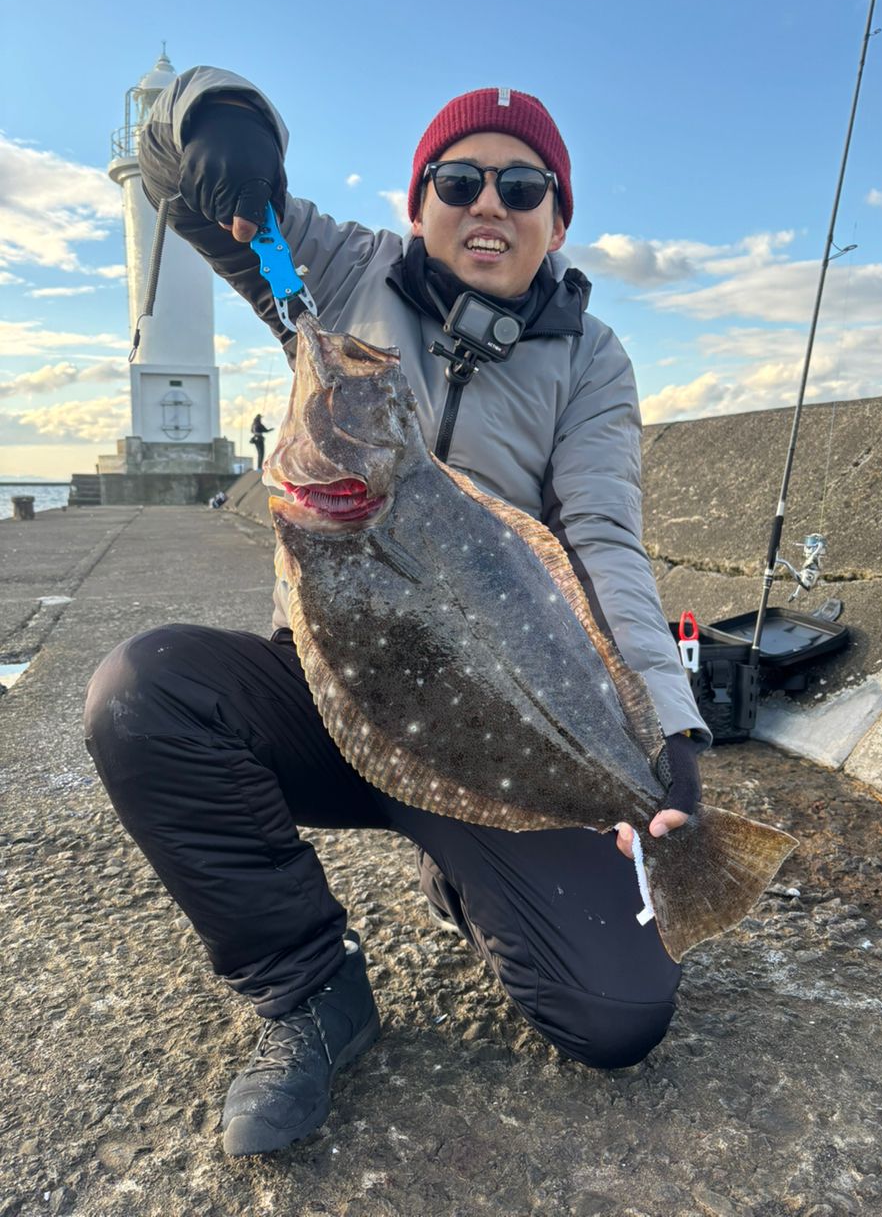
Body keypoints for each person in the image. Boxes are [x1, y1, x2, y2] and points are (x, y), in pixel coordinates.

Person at [84, 67, 710, 1158]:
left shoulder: (592, 362)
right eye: (459, 179)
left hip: (491, 721)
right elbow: (192, 189)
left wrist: (669, 727)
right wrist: (216, 121)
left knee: (616, 1017)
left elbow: (602, 542)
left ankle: (467, 875)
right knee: (143, 696)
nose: (489, 205)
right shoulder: (325, 276)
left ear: (559, 218)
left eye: (524, 189)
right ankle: (311, 989)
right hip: (328, 688)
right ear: (418, 199)